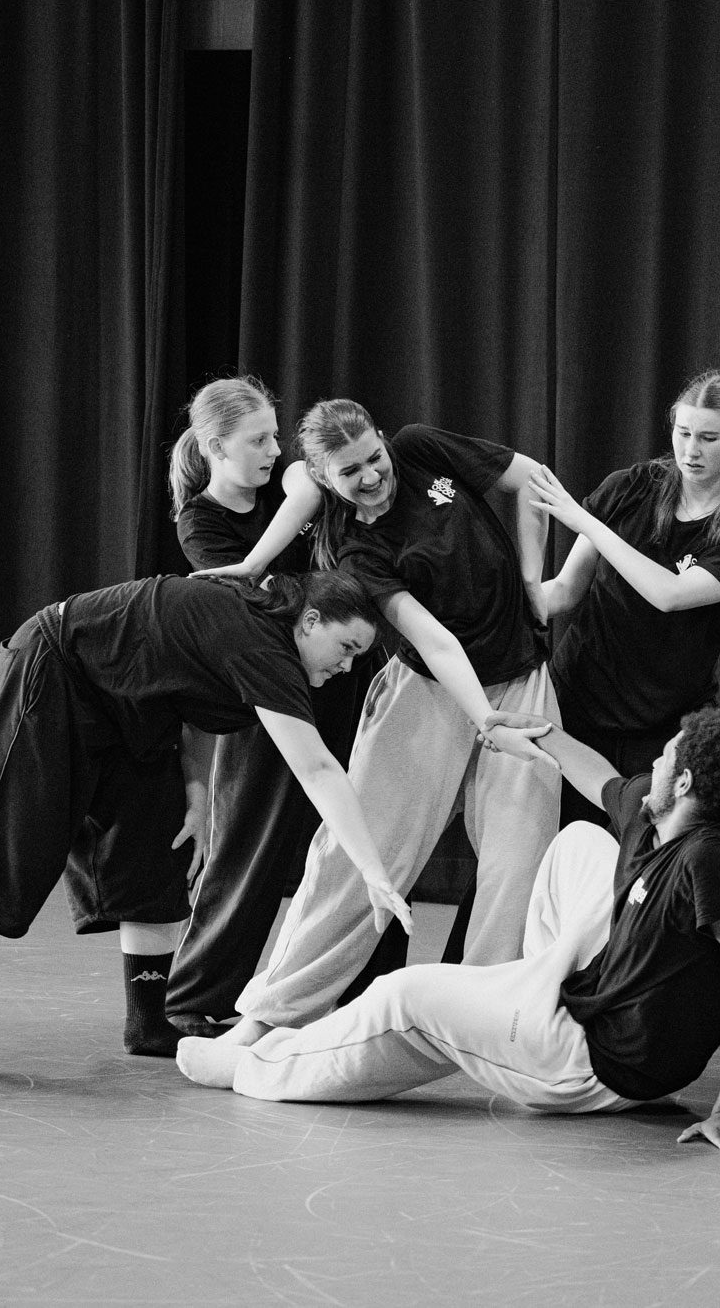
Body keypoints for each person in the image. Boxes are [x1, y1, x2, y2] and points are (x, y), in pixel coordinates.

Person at [177, 707, 720, 1154]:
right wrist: (536, 730)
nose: (654, 760)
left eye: (666, 757)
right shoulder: (655, 820)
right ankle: (535, 986)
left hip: (597, 1064)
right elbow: (598, 775)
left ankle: (254, 1067)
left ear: (684, 784)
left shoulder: (710, 863)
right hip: (603, 1006)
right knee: (580, 841)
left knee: (404, 995)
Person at [0, 572, 410, 1075]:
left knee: (161, 841)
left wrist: (196, 797)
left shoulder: (259, 641)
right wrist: (372, 870)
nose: (347, 667)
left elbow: (192, 702)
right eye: (347, 648)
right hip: (56, 667)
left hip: (129, 708)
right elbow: (317, 769)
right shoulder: (261, 645)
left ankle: (148, 1020)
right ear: (311, 620)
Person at [218, 399, 560, 1047]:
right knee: (358, 853)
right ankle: (266, 1017)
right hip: (429, 692)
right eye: (350, 473)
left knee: (519, 865)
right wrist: (485, 718)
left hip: (521, 677)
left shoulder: (422, 448)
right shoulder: (356, 550)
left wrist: (531, 577)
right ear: (326, 480)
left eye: (373, 457)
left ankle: (486, 1028)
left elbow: (532, 478)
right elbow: (434, 641)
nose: (372, 476)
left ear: (381, 437)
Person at [162, 377, 398, 1038]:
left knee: (362, 831)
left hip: (342, 677)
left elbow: (305, 491)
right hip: (269, 691)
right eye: (258, 440)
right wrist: (284, 577)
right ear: (214, 447)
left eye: (273, 435)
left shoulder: (289, 482)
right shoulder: (201, 522)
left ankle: (366, 992)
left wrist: (281, 544)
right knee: (249, 842)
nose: (273, 448)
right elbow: (267, 603)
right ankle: (196, 996)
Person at [529, 368, 720, 812]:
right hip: (576, 702)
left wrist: (586, 520)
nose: (691, 450)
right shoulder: (630, 487)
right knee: (564, 840)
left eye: (708, 438)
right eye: (683, 433)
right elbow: (566, 591)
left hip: (662, 725)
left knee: (646, 840)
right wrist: (493, 611)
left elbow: (669, 594)